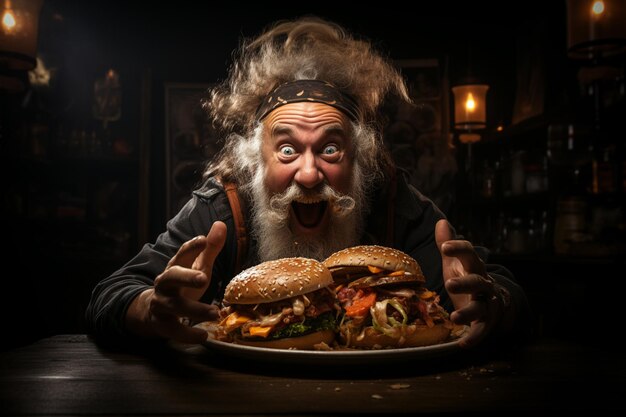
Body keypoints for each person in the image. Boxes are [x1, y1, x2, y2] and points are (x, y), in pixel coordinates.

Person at [85, 16, 530, 349]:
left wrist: (496, 304)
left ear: (361, 159)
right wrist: (150, 308)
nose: (310, 173)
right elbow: (108, 296)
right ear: (253, 161)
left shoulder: (394, 201)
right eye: (287, 150)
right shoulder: (224, 207)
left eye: (331, 149)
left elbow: (502, 289)